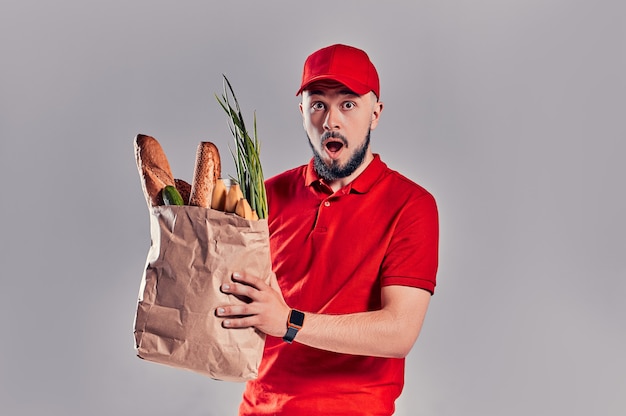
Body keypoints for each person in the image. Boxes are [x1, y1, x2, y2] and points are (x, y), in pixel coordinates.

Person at [216, 44, 439, 415]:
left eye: (348, 104)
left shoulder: (411, 205)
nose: (331, 121)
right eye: (318, 104)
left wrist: (289, 322)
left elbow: (399, 332)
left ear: (375, 114)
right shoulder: (265, 195)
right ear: (302, 111)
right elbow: (240, 305)